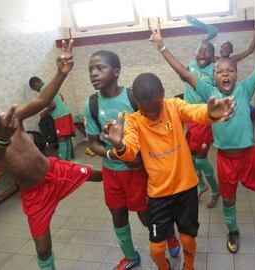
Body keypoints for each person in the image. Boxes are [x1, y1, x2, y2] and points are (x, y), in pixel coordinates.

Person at [149, 6, 255, 253]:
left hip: (249, 155)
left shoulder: (245, 88)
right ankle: (233, 231)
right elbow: (182, 71)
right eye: (220, 71)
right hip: (225, 159)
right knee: (229, 198)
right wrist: (161, 45)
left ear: (236, 74)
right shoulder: (208, 91)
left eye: (230, 70)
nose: (226, 74)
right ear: (213, 76)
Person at [0, 40, 103, 270]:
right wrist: (2, 137)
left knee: (98, 174)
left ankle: (129, 179)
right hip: (35, 195)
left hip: (56, 171)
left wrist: (61, 73)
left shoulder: (14, 120)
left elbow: (42, 101)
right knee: (43, 247)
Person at [103, 72, 234, 269]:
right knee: (156, 250)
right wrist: (119, 146)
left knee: (188, 240)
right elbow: (130, 150)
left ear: (163, 94)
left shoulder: (173, 106)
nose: (153, 114)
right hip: (158, 195)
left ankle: (188, 266)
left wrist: (210, 113)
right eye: (147, 111)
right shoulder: (133, 120)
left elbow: (194, 112)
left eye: (156, 108)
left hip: (186, 189)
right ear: (136, 102)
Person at [84, 50, 180, 270]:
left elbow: (156, 127)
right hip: (111, 172)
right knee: (117, 214)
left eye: (100, 68)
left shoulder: (132, 98)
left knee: (147, 217)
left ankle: (170, 237)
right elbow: (92, 142)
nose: (94, 74)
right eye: (90, 69)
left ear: (116, 72)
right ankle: (130, 255)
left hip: (137, 170)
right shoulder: (91, 104)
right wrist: (112, 153)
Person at [184, 40, 220, 208]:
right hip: (189, 118)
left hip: (203, 118)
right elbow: (178, 70)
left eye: (208, 51)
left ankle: (215, 190)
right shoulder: (189, 66)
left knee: (200, 160)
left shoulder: (214, 71)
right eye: (200, 50)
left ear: (213, 56)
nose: (203, 53)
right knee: (190, 159)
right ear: (195, 53)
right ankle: (201, 185)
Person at [29, 76, 74, 161]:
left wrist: (44, 113)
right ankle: (69, 162)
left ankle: (63, 163)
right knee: (67, 138)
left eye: (35, 89)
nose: (37, 91)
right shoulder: (50, 87)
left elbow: (53, 105)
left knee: (61, 139)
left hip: (60, 116)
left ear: (36, 84)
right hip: (66, 113)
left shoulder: (44, 90)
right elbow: (61, 97)